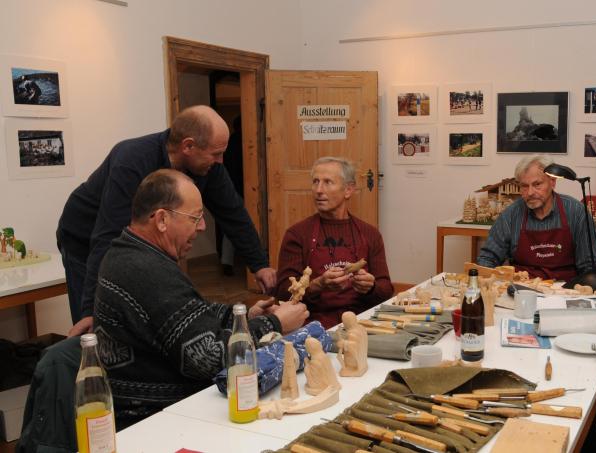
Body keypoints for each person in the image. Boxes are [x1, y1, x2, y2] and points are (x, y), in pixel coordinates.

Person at [93, 169, 309, 428]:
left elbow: (191, 312)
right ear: (161, 219)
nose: (203, 226)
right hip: (157, 419)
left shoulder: (128, 251)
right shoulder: (146, 270)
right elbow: (206, 357)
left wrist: (243, 316)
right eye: (195, 218)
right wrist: (274, 324)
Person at [57, 105, 277, 336]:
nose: (221, 160)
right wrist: (90, 310)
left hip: (135, 248)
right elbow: (106, 236)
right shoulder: (132, 158)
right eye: (215, 153)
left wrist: (259, 263)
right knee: (98, 325)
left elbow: (233, 212)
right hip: (83, 237)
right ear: (188, 146)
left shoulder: (208, 168)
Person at [274, 157, 393, 328]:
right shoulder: (297, 234)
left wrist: (371, 287)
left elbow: (387, 290)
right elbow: (283, 293)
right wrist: (317, 285)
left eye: (328, 182)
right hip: (315, 322)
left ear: (348, 190)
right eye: (315, 182)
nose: (319, 190)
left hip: (362, 320)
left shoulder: (370, 234)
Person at [477, 155, 596, 281]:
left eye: (537, 184)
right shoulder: (511, 214)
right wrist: (486, 280)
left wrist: (585, 287)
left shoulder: (576, 211)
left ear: (552, 182)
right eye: (524, 186)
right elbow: (488, 258)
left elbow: (593, 264)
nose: (530, 193)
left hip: (565, 290)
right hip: (522, 290)